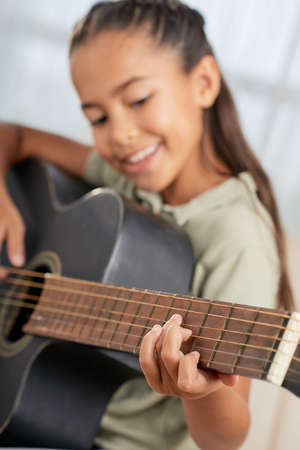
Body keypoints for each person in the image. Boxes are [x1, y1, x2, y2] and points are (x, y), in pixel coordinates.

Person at [0, 1, 295, 449]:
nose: (119, 134)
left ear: (203, 83)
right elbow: (14, 136)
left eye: (138, 100)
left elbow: (228, 437)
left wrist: (203, 392)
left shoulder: (239, 238)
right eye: (97, 117)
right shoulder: (130, 176)